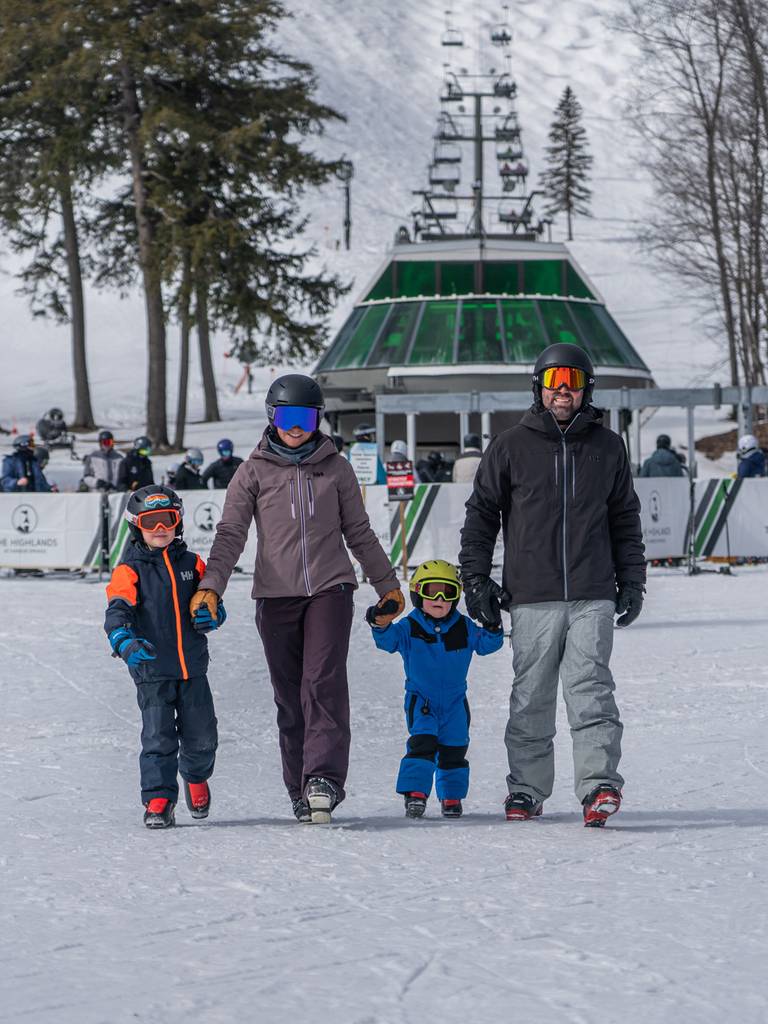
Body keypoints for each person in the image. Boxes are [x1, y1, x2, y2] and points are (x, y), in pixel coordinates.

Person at [191, 373, 404, 824]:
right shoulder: (252, 471)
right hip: (275, 595)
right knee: (290, 697)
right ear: (272, 417)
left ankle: (323, 778)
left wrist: (386, 584)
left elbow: (359, 532)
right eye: (287, 416)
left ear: (318, 419)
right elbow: (231, 534)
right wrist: (211, 586)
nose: (295, 425)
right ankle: (299, 786)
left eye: (305, 416)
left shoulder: (337, 468)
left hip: (331, 589)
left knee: (322, 682)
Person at [459, 342, 646, 828]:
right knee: (532, 696)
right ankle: (526, 789)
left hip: (592, 591)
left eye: (573, 381)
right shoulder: (510, 446)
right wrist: (475, 580)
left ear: (587, 389)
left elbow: (624, 517)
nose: (563, 391)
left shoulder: (607, 447)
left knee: (591, 689)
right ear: (538, 387)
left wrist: (633, 580)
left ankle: (599, 786)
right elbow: (481, 516)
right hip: (532, 593)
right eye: (553, 381)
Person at [104, 485, 224, 829]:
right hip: (152, 669)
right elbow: (117, 611)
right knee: (158, 737)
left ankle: (196, 777)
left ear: (178, 522)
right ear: (136, 526)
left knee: (202, 736)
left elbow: (212, 603)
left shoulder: (192, 563)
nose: (160, 529)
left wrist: (212, 615)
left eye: (167, 520)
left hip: (193, 669)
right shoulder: (129, 570)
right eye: (151, 521)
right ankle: (158, 798)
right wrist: (124, 640)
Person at [367, 560, 503, 819]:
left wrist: (493, 624)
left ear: (456, 596)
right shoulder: (410, 626)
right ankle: (415, 794)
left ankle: (451, 796)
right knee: (423, 743)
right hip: (422, 701)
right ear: (418, 594)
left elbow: (487, 645)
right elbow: (388, 641)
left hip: (455, 703)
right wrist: (380, 623)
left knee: (455, 748)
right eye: (432, 592)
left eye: (447, 592)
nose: (439, 598)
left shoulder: (463, 626)